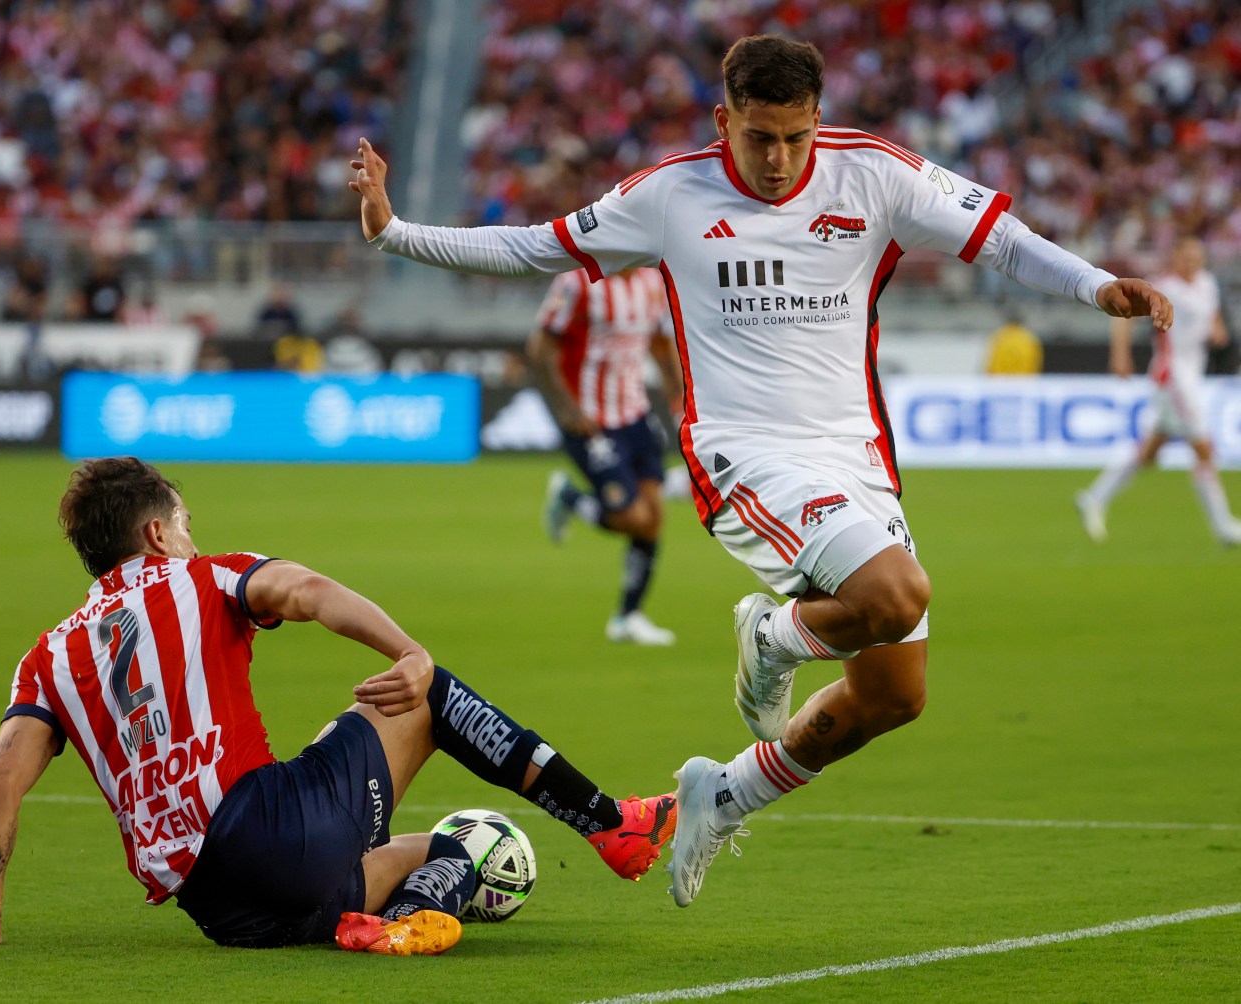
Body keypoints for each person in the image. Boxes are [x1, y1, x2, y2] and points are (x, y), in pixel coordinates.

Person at [347, 34, 1173, 907]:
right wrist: (392, 231)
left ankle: (726, 789)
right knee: (898, 595)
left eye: (795, 137)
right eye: (758, 137)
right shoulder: (669, 195)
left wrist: (1095, 286)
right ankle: (773, 638)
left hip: (854, 456)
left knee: (893, 696)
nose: (778, 160)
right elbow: (532, 249)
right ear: (723, 120)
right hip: (744, 455)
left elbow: (997, 240)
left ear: (819, 119)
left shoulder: (876, 173)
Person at [0, 458, 676, 954]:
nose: (192, 538)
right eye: (184, 525)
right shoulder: (206, 578)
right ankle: (612, 825)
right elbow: (310, 593)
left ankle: (393, 921)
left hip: (223, 912)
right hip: (272, 831)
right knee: (425, 692)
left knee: (446, 849)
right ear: (156, 534)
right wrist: (407, 653)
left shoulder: (47, 657)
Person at [529, 267, 684, 645]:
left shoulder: (653, 282)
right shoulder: (576, 283)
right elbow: (540, 347)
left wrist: (680, 398)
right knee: (630, 516)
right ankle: (571, 497)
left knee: (653, 519)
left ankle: (628, 617)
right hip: (590, 420)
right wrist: (566, 409)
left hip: (634, 414)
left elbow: (661, 345)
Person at [1075, 238, 1239, 545]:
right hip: (1172, 375)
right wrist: (1120, 355)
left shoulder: (1207, 284)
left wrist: (1217, 330)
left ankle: (1094, 497)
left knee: (1150, 451)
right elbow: (1124, 321)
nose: (1191, 263)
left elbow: (1213, 317)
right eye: (1185, 257)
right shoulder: (1163, 287)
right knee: (1204, 448)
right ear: (1174, 259)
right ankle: (1224, 527)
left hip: (1192, 373)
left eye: (1196, 257)